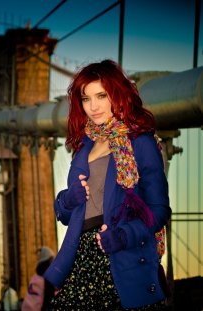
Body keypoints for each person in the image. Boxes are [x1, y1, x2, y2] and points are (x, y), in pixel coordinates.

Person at [43, 59, 171, 310]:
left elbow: (159, 210)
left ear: (117, 94)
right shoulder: (83, 147)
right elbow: (69, 214)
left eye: (101, 95)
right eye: (86, 98)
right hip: (80, 258)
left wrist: (123, 235)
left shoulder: (140, 141)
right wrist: (68, 199)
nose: (93, 106)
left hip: (123, 255)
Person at [21, 246, 56, 311]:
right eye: (52, 259)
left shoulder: (35, 278)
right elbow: (49, 300)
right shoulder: (47, 279)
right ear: (49, 261)